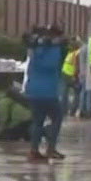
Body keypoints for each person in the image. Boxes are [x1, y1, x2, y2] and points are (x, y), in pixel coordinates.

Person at [22, 26, 70, 162]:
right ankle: (50, 147)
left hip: (32, 90)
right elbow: (64, 47)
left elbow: (27, 41)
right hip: (48, 91)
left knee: (38, 121)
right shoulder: (56, 50)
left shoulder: (34, 49)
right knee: (57, 117)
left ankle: (34, 150)